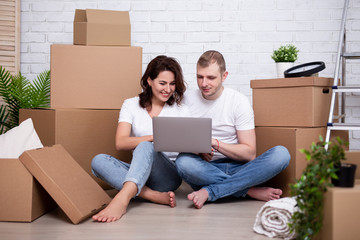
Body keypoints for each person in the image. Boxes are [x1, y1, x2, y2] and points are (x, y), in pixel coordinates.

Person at [175, 50, 291, 209]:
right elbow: (181, 140)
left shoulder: (238, 101)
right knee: (183, 163)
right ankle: (247, 190)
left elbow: (250, 154)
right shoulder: (187, 100)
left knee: (281, 154)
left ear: (224, 76)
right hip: (206, 168)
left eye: (211, 78)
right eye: (199, 77)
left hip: (239, 166)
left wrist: (215, 143)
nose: (204, 83)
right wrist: (197, 149)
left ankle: (211, 191)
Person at [91, 55, 190, 222]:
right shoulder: (131, 105)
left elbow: (188, 144)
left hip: (167, 176)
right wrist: (154, 137)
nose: (168, 89)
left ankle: (122, 199)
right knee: (98, 161)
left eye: (172, 84)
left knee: (145, 146)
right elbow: (120, 142)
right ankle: (152, 195)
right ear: (149, 81)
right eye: (162, 83)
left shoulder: (182, 110)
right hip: (139, 171)